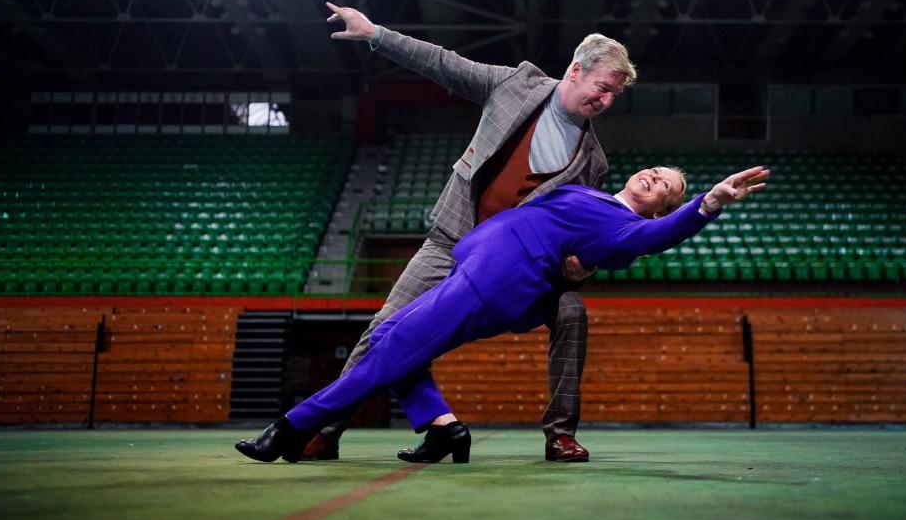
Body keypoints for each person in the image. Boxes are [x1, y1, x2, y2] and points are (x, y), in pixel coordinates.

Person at [235, 164, 770, 464]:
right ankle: (444, 429)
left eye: (667, 188)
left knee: (388, 353)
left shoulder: (627, 232)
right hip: (474, 270)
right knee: (390, 341)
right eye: (655, 171)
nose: (655, 178)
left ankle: (288, 426)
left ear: (661, 206)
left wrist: (705, 203)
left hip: (494, 286)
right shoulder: (591, 196)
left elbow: (660, 236)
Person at [301, 3, 634, 463]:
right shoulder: (515, 85)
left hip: (517, 274)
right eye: (603, 89)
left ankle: (560, 434)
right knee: (383, 328)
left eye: (615, 95)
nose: (607, 102)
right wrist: (375, 32)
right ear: (576, 70)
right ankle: (326, 430)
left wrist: (579, 269)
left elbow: (580, 240)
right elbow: (442, 62)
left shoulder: (592, 162)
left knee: (572, 311)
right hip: (450, 242)